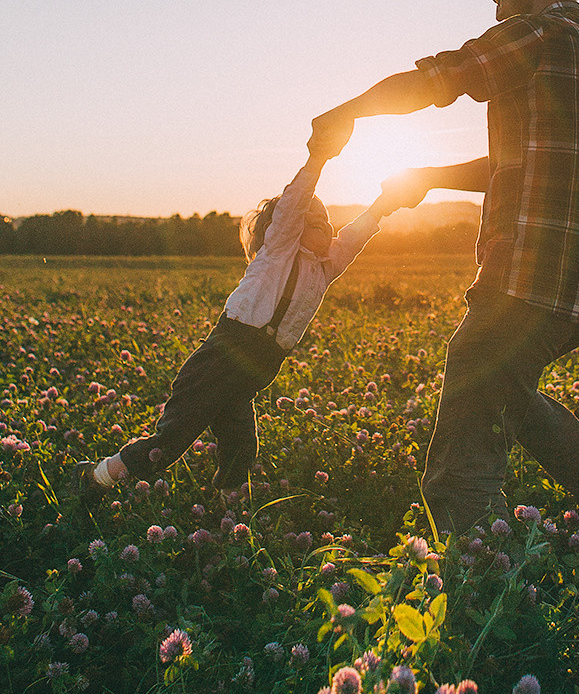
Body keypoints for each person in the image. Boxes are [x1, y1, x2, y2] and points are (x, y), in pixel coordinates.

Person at [312, 0, 579, 534]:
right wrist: (431, 176)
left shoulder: (544, 33)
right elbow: (536, 166)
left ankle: (472, 570)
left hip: (534, 270)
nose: (495, 10)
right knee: (507, 390)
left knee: (472, 397)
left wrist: (347, 112)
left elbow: (444, 77)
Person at [73, 133, 402, 503]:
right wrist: (318, 161)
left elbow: (356, 235)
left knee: (240, 440)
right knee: (174, 437)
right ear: (290, 228)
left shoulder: (327, 266)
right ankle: (97, 477)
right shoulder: (278, 250)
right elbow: (293, 205)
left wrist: (383, 205)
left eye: (327, 221)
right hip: (226, 352)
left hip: (262, 363)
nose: (324, 227)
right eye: (313, 221)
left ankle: (230, 513)